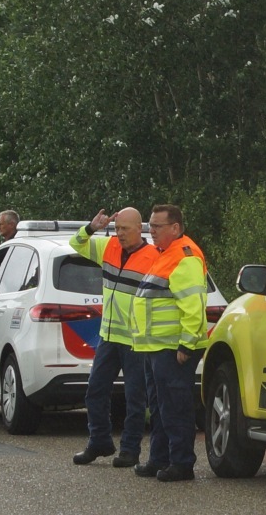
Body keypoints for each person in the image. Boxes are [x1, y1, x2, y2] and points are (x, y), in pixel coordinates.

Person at [127, 203, 208, 482]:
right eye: (150, 225)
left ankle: (182, 463)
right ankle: (160, 459)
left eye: (157, 226)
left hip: (174, 349)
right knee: (160, 406)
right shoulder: (165, 254)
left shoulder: (184, 256)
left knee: (174, 406)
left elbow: (193, 306)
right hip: (157, 347)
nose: (151, 231)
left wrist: (186, 345)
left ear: (175, 228)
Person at [69, 206, 154, 468]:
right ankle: (100, 441)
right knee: (95, 391)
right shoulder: (109, 247)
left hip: (135, 339)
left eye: (125, 229)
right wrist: (93, 227)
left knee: (135, 397)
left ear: (140, 229)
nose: (120, 234)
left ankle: (130, 450)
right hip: (108, 335)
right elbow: (76, 243)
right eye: (117, 229)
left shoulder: (153, 256)